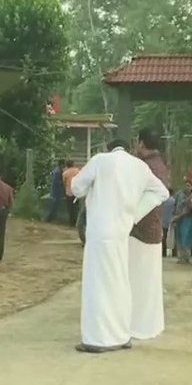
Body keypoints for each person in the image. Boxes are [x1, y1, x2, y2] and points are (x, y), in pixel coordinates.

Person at [71, 139, 169, 353]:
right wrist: (134, 215)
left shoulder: (99, 160)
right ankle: (123, 334)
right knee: (120, 282)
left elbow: (76, 188)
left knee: (98, 285)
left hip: (99, 234)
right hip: (122, 232)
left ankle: (98, 339)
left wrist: (77, 178)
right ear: (128, 148)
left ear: (109, 147)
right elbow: (162, 192)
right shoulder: (139, 166)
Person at [129, 128, 171, 340]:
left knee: (136, 281)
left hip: (138, 230)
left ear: (141, 143)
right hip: (154, 229)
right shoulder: (161, 165)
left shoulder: (142, 166)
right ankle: (150, 324)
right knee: (150, 282)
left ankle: (136, 324)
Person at [62, 160, 80, 227]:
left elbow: (64, 183)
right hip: (77, 193)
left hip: (69, 193)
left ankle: (71, 223)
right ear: (73, 164)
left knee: (70, 209)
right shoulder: (77, 171)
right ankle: (77, 222)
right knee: (77, 208)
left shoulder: (65, 173)